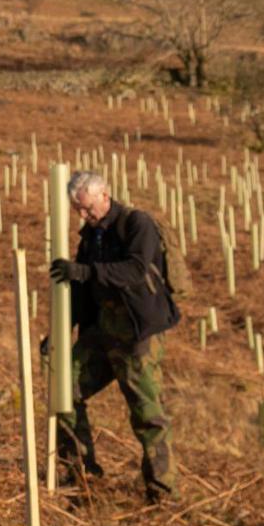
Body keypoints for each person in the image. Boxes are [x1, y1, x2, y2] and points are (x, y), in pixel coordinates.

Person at [46, 169, 179, 503]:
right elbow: (80, 291)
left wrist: (89, 271)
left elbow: (136, 270)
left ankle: (163, 492)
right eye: (78, 209)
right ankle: (81, 472)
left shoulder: (137, 224)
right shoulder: (90, 238)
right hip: (102, 333)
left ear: (105, 195)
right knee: (64, 387)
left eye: (88, 208)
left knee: (146, 413)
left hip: (137, 336)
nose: (84, 215)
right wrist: (60, 333)